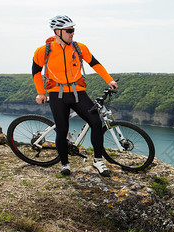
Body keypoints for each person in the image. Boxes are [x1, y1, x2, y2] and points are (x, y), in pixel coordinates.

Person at [32, 15, 117, 177]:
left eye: (73, 30)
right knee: (62, 129)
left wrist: (109, 80)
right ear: (58, 32)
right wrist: (41, 92)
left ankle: (98, 160)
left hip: (78, 93)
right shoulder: (44, 51)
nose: (72, 33)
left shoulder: (79, 48)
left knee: (96, 123)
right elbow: (35, 71)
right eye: (69, 30)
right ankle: (65, 164)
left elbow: (95, 64)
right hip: (57, 95)